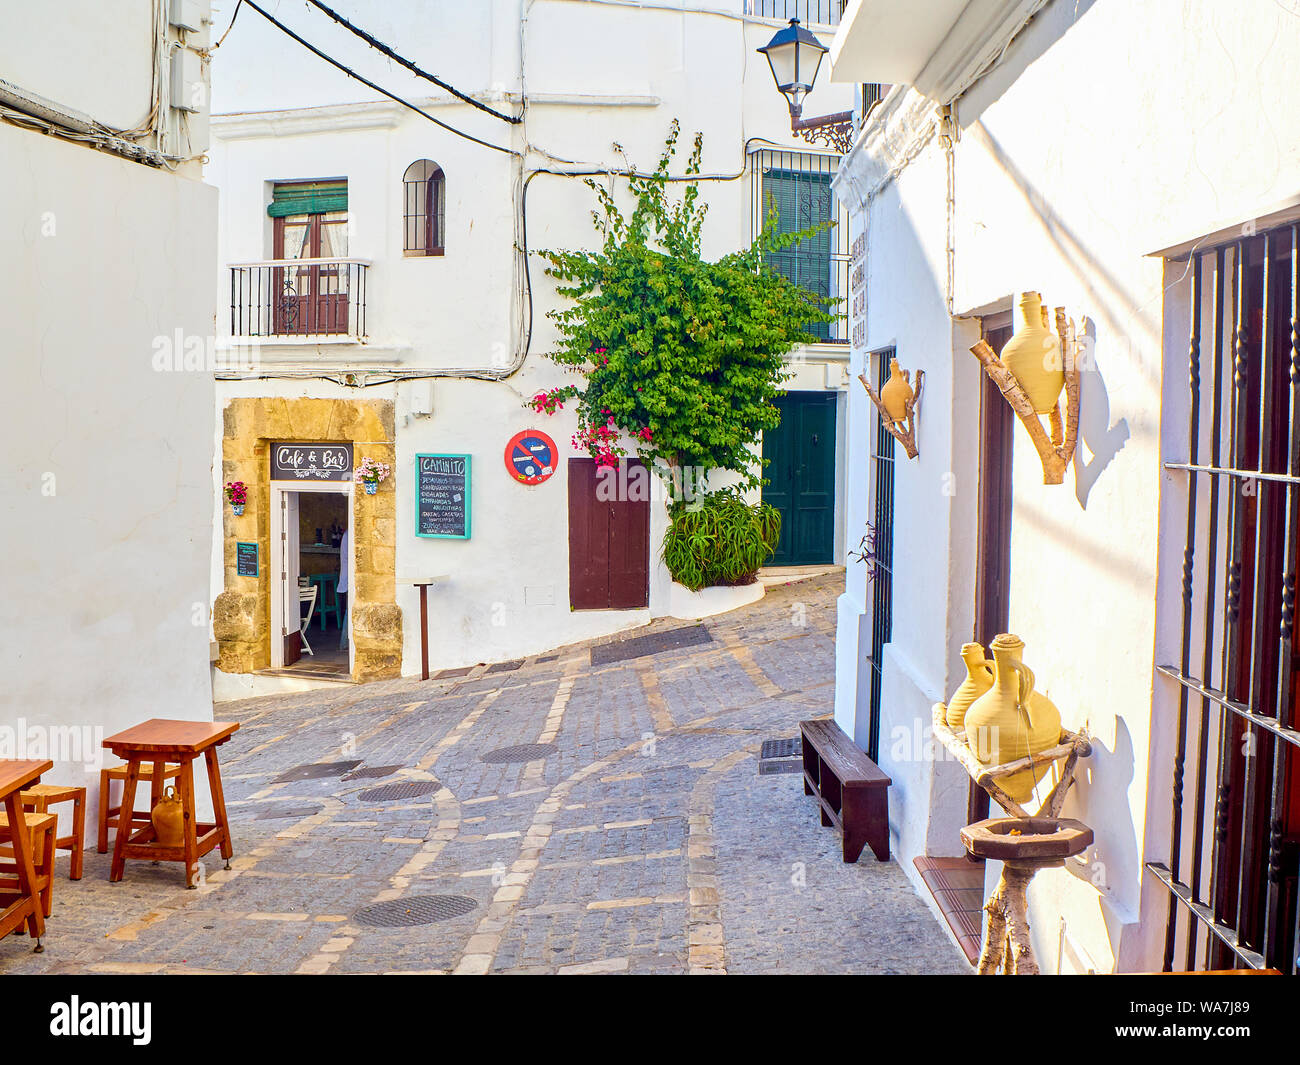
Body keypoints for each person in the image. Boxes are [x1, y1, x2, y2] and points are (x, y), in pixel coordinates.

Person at [337, 527, 350, 651]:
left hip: (347, 578)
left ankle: (345, 643)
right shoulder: (349, 534)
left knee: (348, 610)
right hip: (349, 578)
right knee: (349, 610)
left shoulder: (347, 534)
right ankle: (345, 643)